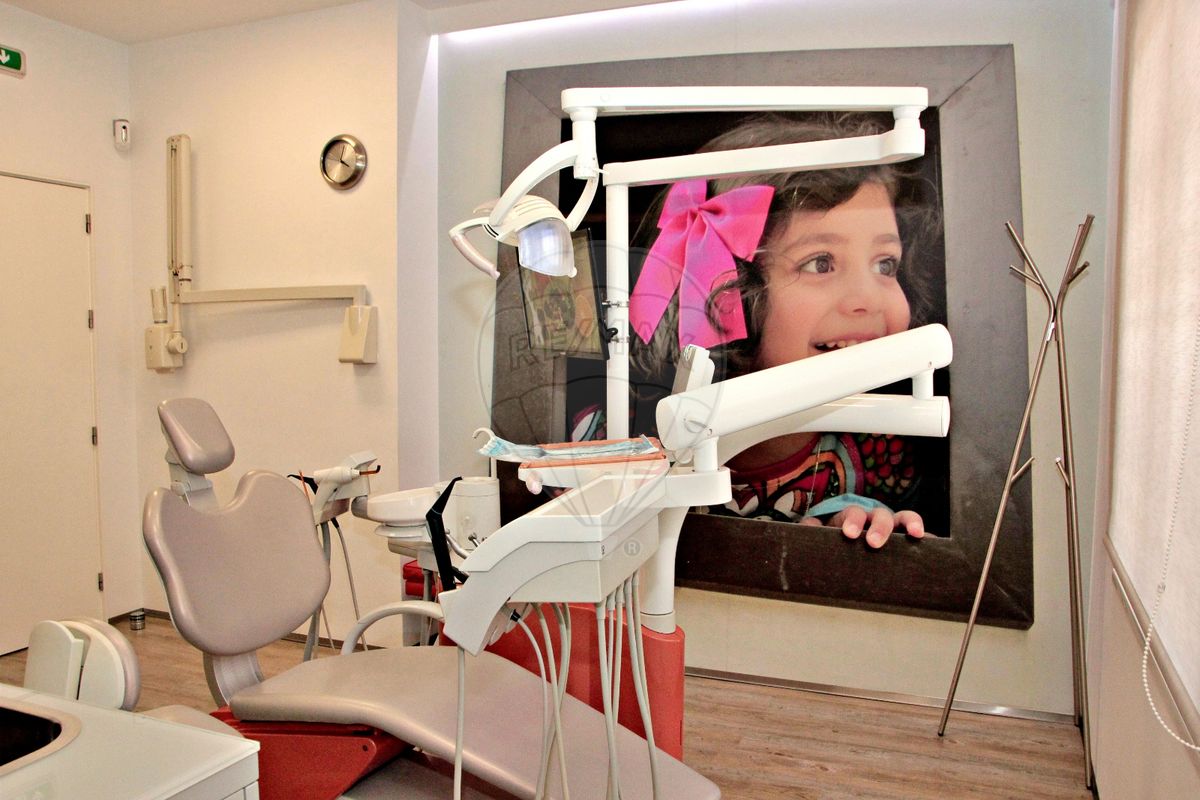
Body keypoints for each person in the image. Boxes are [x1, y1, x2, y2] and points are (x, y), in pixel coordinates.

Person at [627, 112, 942, 549]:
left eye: (885, 264)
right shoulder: (631, 437)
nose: (868, 299)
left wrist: (871, 525)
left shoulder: (886, 445)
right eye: (821, 263)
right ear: (728, 292)